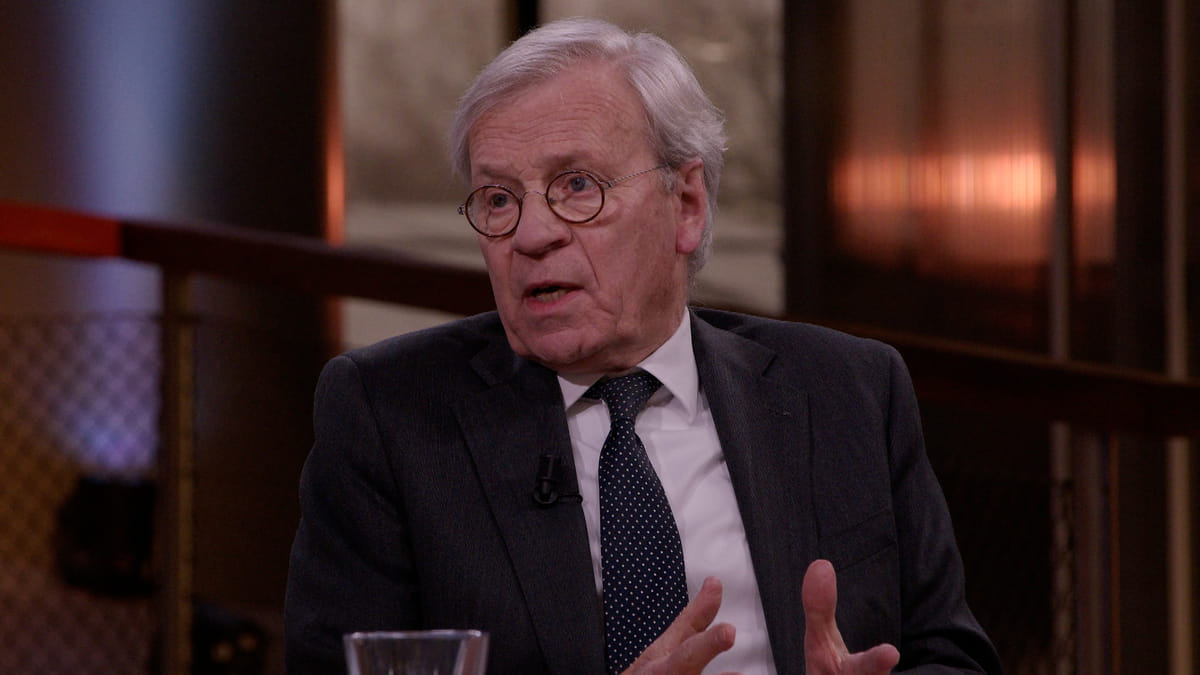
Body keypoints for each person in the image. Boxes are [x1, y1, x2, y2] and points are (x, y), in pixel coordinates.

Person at [285, 17, 1002, 675]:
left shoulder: (847, 389)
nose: (531, 235)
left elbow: (953, 656)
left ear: (685, 205)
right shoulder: (391, 414)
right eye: (499, 198)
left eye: (577, 185)